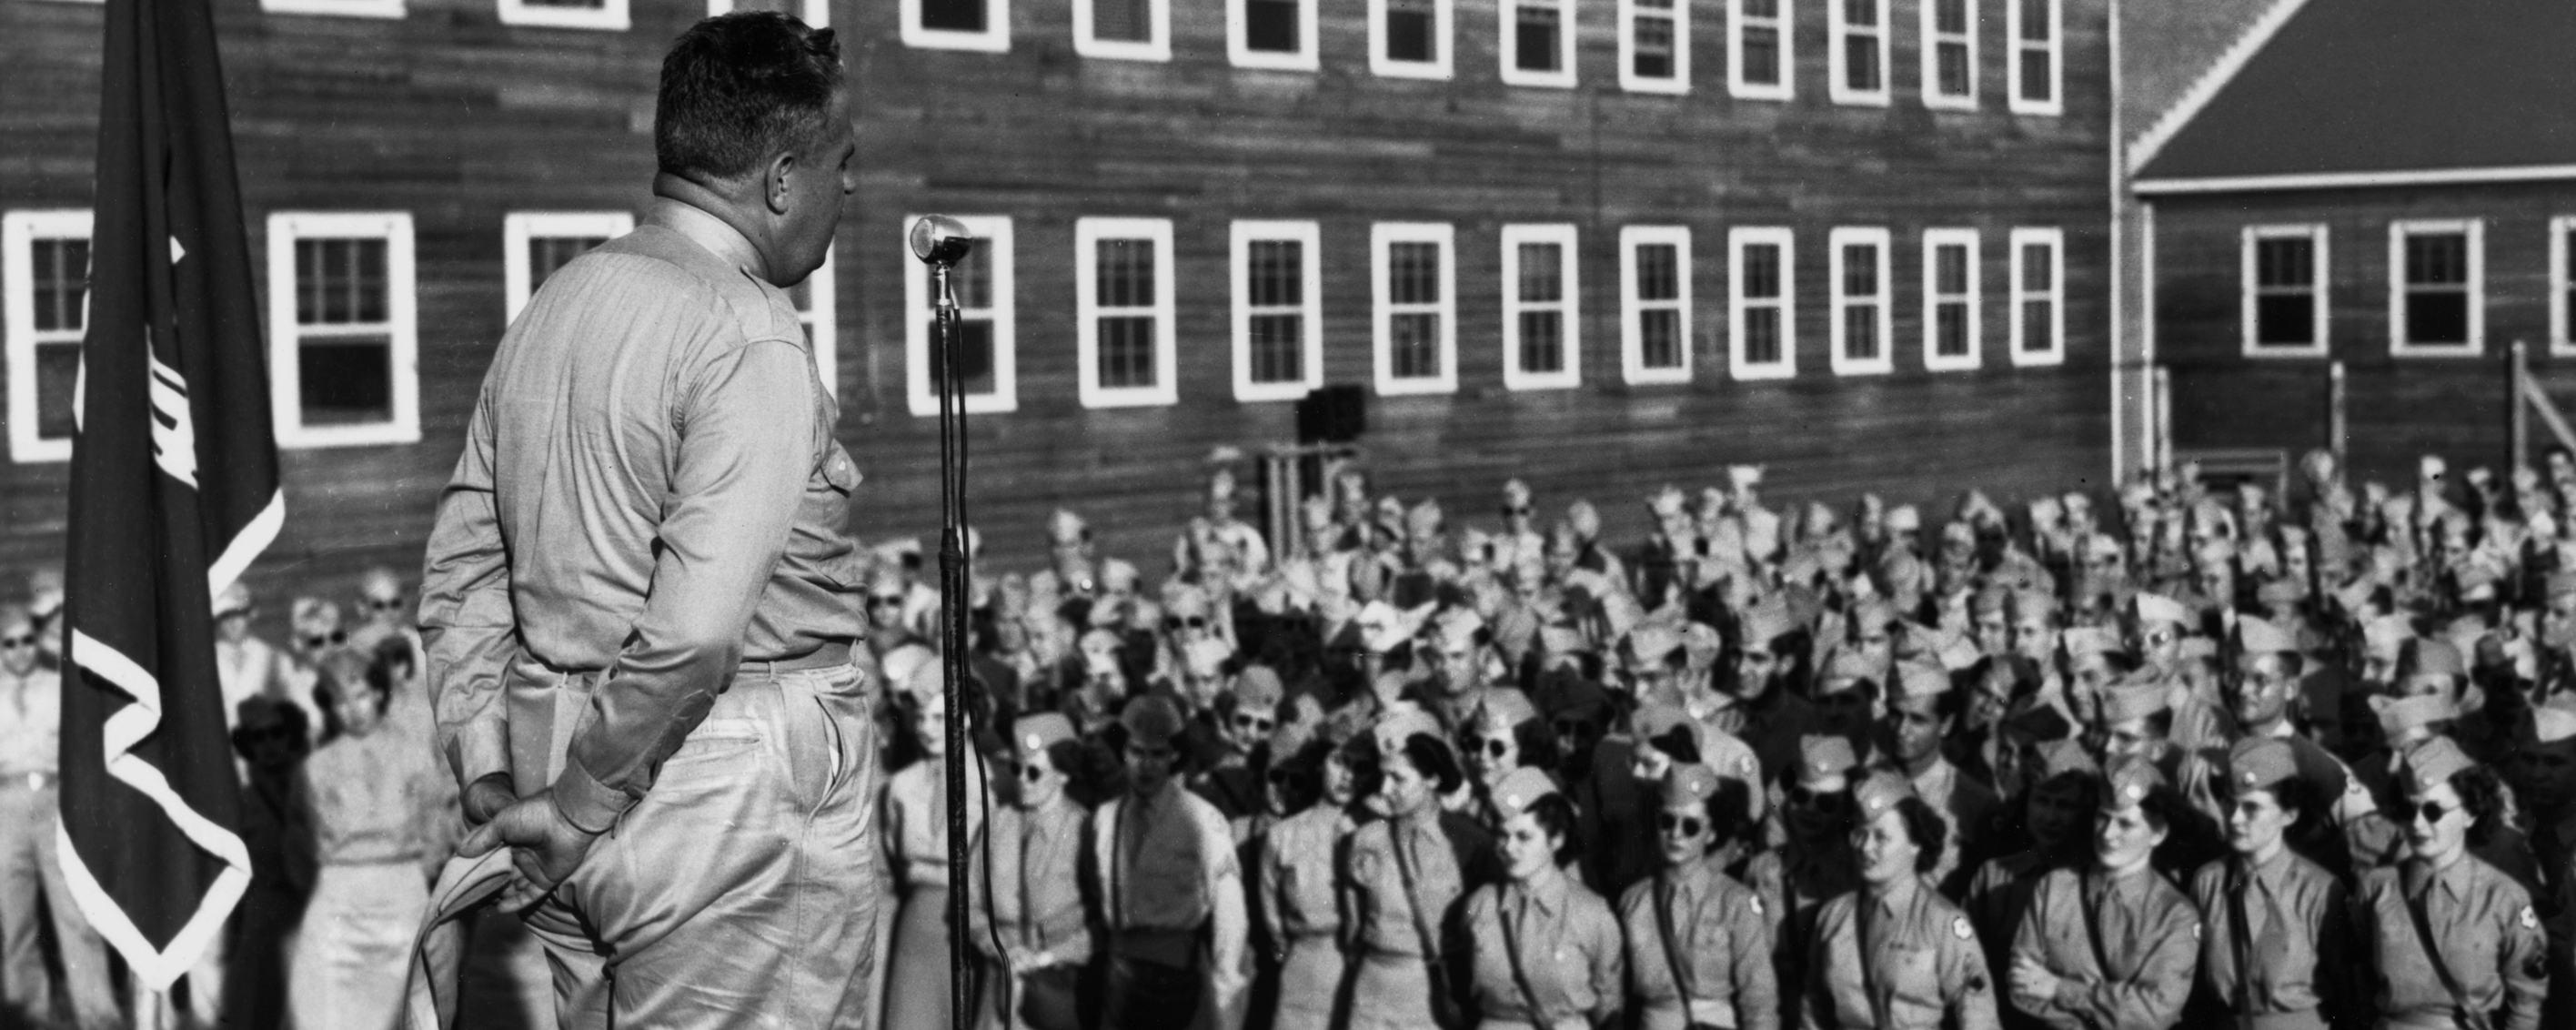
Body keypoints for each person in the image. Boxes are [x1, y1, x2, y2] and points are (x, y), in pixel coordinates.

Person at [418, 13, 877, 1026]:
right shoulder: (749, 333)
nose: (852, 188)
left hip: (552, 760)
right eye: (844, 161)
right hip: (714, 795)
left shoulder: (556, 303)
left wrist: (490, 766)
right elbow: (696, 633)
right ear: (781, 177)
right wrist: (584, 803)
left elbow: (460, 577)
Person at [287, 649, 443, 1030]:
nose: (353, 710)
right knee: (321, 1009)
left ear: (377, 693)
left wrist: (417, 876)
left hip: (401, 886)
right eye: (340, 701)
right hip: (340, 891)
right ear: (328, 707)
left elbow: (435, 820)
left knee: (408, 1007)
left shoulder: (413, 753)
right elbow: (300, 836)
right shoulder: (316, 765)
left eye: (360, 695)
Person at [2353, 736, 2550, 1030]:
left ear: (2469, 813)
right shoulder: (2377, 889)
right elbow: (2356, 979)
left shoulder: (2503, 897)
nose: (2418, 825)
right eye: (2408, 810)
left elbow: (2527, 997)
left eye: (2434, 812)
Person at [1091, 695, 1249, 1029]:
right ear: (1123, 753)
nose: (1146, 765)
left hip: (1175, 977)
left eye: (1158, 754)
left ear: (1175, 755)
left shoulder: (1202, 819)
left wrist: (1224, 981)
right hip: (1118, 974)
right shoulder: (1106, 818)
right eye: (1137, 752)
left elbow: (1229, 908)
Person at [2007, 757, 2199, 1030]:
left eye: (2126, 824)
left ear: (2158, 834)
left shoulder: (2174, 915)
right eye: (2103, 817)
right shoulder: (2055, 887)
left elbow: (2156, 1009)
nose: (2108, 834)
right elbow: (2022, 984)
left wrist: (2061, 989)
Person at [1802, 769, 2001, 1030]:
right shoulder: (1835, 915)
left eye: (1881, 837)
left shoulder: (1943, 922)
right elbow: (1813, 1005)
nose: (1865, 847)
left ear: (1915, 844)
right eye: (1859, 834)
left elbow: (1978, 1013)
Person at [0, 602, 119, 1030]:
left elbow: (84, 748)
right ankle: (26, 1015)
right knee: (15, 921)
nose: (20, 653)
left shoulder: (58, 687)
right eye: (8, 645)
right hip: (6, 806)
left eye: (27, 642)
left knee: (74, 913)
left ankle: (98, 1015)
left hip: (53, 798)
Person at [2185, 738, 2352, 1030]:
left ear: (2289, 814)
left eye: (2252, 808)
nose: (2235, 819)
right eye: (2229, 804)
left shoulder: (2319, 891)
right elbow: (2196, 985)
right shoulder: (2208, 882)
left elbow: (2347, 991)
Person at [1343, 709, 1494, 1030]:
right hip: (1372, 987)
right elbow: (1352, 922)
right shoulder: (1365, 839)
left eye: (1398, 779)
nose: (1384, 790)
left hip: (1432, 992)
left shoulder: (1469, 843)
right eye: (1382, 777)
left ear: (1433, 778)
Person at [1461, 766, 1623, 1030]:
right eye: (1502, 835)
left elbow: (1608, 1000)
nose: (1509, 848)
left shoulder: (1591, 912)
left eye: (1523, 837)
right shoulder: (1480, 905)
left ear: (1556, 840)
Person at [1621, 763, 1778, 1030]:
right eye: (1667, 822)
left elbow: (1758, 997)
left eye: (1691, 826)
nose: (1676, 834)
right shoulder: (1635, 901)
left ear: (1712, 833)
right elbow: (1618, 992)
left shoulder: (1735, 902)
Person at [883, 661, 992, 1030]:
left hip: (969, 919)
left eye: (939, 718)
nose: (927, 729)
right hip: (917, 919)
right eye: (922, 718)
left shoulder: (988, 782)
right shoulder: (901, 785)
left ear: (963, 720)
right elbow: (892, 856)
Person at [971, 712, 1094, 1030]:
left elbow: (1101, 923)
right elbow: (968, 899)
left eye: (1035, 771)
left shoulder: (1085, 830)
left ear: (1064, 774)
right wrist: (998, 947)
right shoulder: (998, 823)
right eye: (1016, 768)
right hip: (999, 980)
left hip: (1059, 987)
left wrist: (1046, 958)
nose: (1022, 779)